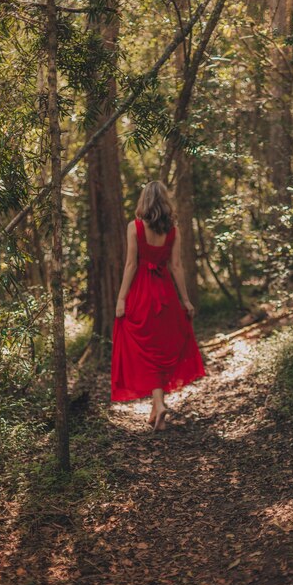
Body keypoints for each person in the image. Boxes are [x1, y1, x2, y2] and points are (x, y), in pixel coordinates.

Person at [110, 180, 206, 431]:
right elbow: (176, 266)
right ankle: (158, 405)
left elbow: (131, 265)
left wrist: (121, 298)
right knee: (162, 350)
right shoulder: (173, 229)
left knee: (146, 350)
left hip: (141, 294)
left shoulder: (135, 227)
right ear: (164, 201)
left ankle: (157, 406)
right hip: (165, 294)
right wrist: (185, 300)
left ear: (144, 201)